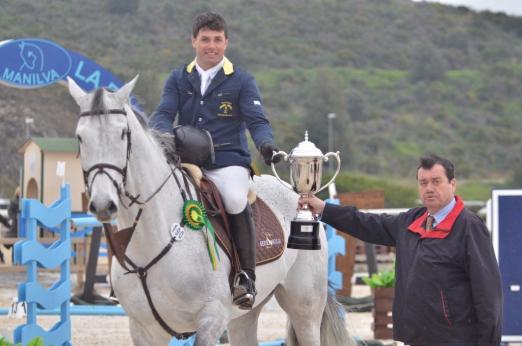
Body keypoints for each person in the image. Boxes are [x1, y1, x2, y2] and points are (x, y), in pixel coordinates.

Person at [299, 154, 502, 345]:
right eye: (423, 183)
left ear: (453, 184)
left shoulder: (469, 226)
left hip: (456, 340)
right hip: (417, 337)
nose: (429, 188)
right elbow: (366, 223)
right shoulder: (412, 221)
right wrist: (325, 209)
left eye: (436, 181)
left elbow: (487, 295)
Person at [149, 12, 279, 309]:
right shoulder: (178, 78)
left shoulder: (242, 80)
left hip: (227, 159)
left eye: (217, 40)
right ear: (193, 41)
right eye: (205, 39)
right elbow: (165, 113)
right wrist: (160, 137)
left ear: (226, 42)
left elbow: (256, 120)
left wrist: (266, 144)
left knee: (234, 199)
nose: (211, 45)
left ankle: (245, 276)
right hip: (185, 157)